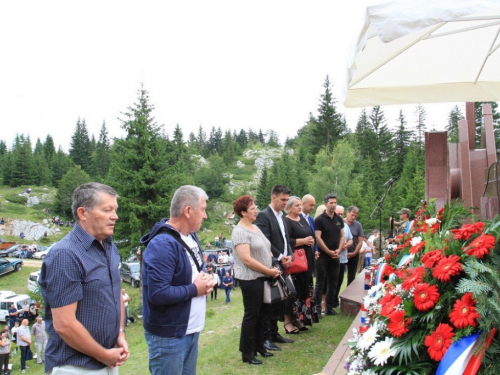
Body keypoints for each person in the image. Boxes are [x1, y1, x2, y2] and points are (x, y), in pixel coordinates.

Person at [39, 182, 129, 374]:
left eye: (115, 209)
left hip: (108, 361)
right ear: (82, 213)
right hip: (75, 367)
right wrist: (103, 354)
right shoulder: (65, 254)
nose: (115, 216)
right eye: (107, 210)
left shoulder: (110, 247)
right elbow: (64, 325)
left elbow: (115, 295)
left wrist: (119, 333)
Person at [141, 185, 214, 375]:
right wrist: (195, 289)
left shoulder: (190, 236)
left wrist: (207, 278)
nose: (205, 215)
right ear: (188, 211)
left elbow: (197, 267)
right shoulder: (163, 244)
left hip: (189, 331)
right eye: (203, 209)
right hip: (169, 337)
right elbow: (157, 294)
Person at [231, 195, 281, 365]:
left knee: (263, 313)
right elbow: (247, 259)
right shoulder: (239, 231)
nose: (256, 211)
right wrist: (268, 270)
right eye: (252, 209)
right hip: (250, 278)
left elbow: (266, 248)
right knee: (252, 315)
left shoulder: (254, 228)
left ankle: (259, 346)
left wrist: (275, 263)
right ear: (243, 212)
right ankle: (247, 352)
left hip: (264, 276)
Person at [255, 185, 294, 351]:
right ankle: (265, 338)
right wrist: (280, 257)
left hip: (283, 263)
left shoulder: (282, 217)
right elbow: (265, 241)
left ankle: (274, 332)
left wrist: (290, 255)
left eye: (287, 200)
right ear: (273, 198)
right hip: (270, 263)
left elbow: (286, 240)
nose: (285, 203)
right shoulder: (264, 216)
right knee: (269, 302)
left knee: (279, 301)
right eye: (283, 200)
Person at [284, 196, 316, 332]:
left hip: (307, 259)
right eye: (296, 205)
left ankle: (303, 318)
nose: (299, 207)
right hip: (296, 261)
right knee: (295, 291)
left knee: (305, 288)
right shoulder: (286, 221)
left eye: (300, 205)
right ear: (289, 207)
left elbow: (310, 234)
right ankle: (293, 319)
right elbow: (287, 241)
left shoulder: (302, 219)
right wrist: (303, 241)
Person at [313, 193, 344, 316]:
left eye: (335, 203)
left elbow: (342, 236)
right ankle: (317, 309)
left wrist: (339, 250)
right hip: (322, 256)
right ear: (325, 204)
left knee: (333, 283)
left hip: (335, 256)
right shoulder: (319, 220)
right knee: (320, 283)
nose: (333, 205)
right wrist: (328, 251)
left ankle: (329, 308)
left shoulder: (339, 219)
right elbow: (317, 237)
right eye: (331, 203)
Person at [332, 205, 353, 309]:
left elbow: (351, 239)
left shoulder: (344, 225)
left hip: (343, 258)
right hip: (333, 257)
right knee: (332, 281)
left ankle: (335, 299)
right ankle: (328, 301)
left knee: (339, 280)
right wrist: (339, 247)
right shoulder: (330, 224)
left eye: (341, 214)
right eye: (338, 213)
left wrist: (347, 244)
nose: (340, 216)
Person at [345, 206, 365, 285]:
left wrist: (354, 253)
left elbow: (360, 241)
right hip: (341, 253)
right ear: (347, 213)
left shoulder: (358, 225)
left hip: (353, 253)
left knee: (351, 277)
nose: (353, 217)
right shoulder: (340, 222)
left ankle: (348, 295)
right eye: (352, 215)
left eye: (355, 216)